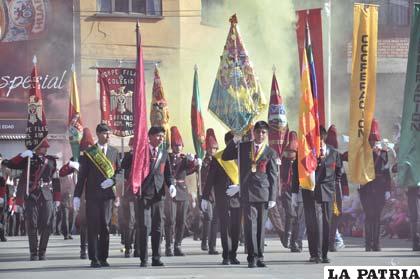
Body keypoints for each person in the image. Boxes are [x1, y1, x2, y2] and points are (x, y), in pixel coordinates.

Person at [222, 121, 279, 268]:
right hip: (247, 192)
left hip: (263, 193)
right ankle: (251, 257)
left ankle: (260, 256)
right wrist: (235, 139)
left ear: (266, 135)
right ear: (253, 133)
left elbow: (273, 176)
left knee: (260, 227)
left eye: (263, 132)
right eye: (258, 132)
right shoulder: (243, 147)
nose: (260, 135)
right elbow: (226, 156)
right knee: (249, 226)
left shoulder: (270, 152)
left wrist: (273, 197)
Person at [2, 138, 61, 260]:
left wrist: (57, 198)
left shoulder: (51, 161)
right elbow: (9, 163)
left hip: (46, 195)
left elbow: (56, 180)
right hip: (31, 194)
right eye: (44, 147)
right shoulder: (28, 159)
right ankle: (33, 252)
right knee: (32, 224)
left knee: (47, 223)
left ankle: (42, 251)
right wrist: (22, 155)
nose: (46, 149)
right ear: (38, 148)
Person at [292, 126, 343, 264]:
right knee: (313, 222)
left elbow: (339, 171)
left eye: (319, 137)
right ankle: (315, 254)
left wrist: (335, 188)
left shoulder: (333, 153)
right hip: (309, 191)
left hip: (327, 192)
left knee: (326, 223)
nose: (317, 140)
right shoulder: (305, 153)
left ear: (324, 137)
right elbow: (296, 171)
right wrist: (294, 192)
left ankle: (324, 254)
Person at [73, 124, 119, 267]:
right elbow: (82, 176)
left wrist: (113, 180)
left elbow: (120, 171)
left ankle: (103, 257)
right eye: (105, 133)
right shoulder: (89, 153)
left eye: (109, 133)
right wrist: (77, 195)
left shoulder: (114, 152)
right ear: (98, 134)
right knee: (93, 226)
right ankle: (94, 258)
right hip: (92, 196)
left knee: (105, 226)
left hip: (107, 196)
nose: (108, 136)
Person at [137, 126, 176, 267]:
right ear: (150, 136)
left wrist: (171, 185)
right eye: (159, 136)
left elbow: (168, 174)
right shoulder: (141, 151)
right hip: (144, 194)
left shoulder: (164, 153)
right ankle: (144, 258)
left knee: (158, 227)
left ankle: (156, 257)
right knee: (145, 226)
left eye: (162, 136)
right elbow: (129, 168)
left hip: (158, 195)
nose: (161, 139)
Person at [202, 131, 241, 265]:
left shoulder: (243, 156)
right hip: (223, 197)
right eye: (234, 142)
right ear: (227, 143)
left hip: (238, 196)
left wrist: (240, 187)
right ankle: (226, 255)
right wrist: (205, 197)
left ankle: (233, 254)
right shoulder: (218, 158)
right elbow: (210, 179)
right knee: (225, 227)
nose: (236, 145)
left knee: (236, 227)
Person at [164, 126, 201, 257]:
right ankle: (168, 246)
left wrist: (195, 161)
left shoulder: (185, 159)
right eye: (175, 145)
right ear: (172, 146)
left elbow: (192, 169)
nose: (178, 148)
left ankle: (177, 245)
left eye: (180, 145)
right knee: (170, 220)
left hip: (182, 192)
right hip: (170, 192)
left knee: (181, 220)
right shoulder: (167, 157)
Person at [60, 127, 95, 259]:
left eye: (89, 147)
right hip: (82, 194)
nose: (86, 150)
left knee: (96, 223)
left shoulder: (97, 158)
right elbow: (61, 173)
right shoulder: (77, 158)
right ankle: (83, 249)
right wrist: (70, 165)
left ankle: (93, 247)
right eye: (84, 147)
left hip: (95, 194)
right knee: (84, 223)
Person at [358, 119, 391, 252]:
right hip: (366, 187)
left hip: (380, 187)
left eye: (374, 140)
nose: (373, 142)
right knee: (368, 216)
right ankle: (367, 244)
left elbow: (387, 172)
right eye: (371, 140)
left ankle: (376, 243)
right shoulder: (363, 153)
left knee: (377, 216)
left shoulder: (384, 153)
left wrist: (388, 190)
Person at [325, 125, 349, 252]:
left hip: (332, 188)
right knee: (332, 215)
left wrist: (345, 191)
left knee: (334, 215)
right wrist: (345, 192)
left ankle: (332, 241)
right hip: (333, 188)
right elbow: (342, 175)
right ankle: (331, 241)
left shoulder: (335, 154)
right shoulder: (334, 154)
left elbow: (342, 174)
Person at [281, 131, 304, 252]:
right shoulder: (282, 161)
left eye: (292, 152)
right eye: (288, 151)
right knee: (291, 214)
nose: (290, 154)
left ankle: (296, 242)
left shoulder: (300, 162)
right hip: (286, 191)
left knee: (298, 218)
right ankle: (287, 236)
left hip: (299, 190)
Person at [200, 128, 220, 254]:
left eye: (214, 149)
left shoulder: (218, 161)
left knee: (215, 220)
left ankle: (212, 245)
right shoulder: (205, 162)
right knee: (209, 218)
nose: (212, 151)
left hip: (217, 194)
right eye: (210, 149)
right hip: (207, 194)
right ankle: (205, 242)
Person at [119, 137, 139, 258]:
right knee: (130, 221)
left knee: (139, 221)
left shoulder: (142, 155)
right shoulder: (128, 156)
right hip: (129, 192)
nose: (134, 147)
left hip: (140, 192)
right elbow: (123, 165)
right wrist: (131, 154)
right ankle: (128, 246)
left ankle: (137, 247)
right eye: (132, 146)